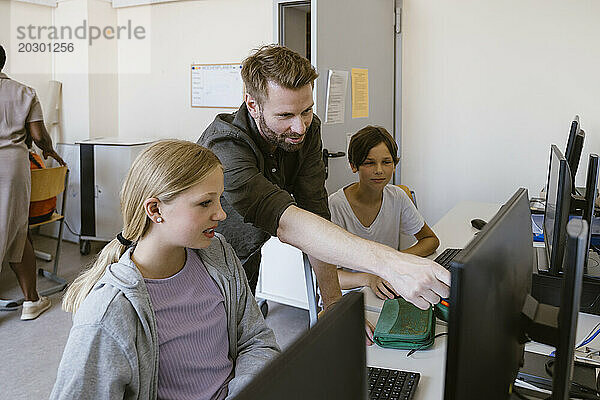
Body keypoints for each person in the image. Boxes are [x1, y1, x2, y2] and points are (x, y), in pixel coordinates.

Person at [199, 45, 450, 318]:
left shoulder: (307, 130)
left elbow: (315, 217)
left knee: (238, 335)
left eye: (306, 111)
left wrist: (332, 305)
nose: (300, 127)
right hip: (198, 264)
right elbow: (287, 223)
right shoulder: (226, 146)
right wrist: (389, 263)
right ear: (252, 105)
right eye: (285, 115)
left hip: (246, 256)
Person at [50, 140, 280, 400]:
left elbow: (256, 339)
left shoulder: (219, 254)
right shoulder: (110, 311)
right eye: (205, 203)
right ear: (155, 209)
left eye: (219, 200)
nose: (221, 214)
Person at [329, 126, 440, 300]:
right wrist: (371, 277)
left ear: (394, 165)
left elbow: (430, 240)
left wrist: (392, 262)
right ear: (353, 166)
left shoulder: (397, 196)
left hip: (388, 285)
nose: (379, 170)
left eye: (386, 162)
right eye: (369, 163)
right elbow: (330, 276)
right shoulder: (335, 206)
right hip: (350, 295)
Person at [0, 44, 66, 320]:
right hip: (12, 166)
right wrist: (48, 149)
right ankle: (31, 301)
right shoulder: (24, 92)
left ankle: (32, 300)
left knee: (16, 233)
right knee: (16, 231)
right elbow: (38, 135)